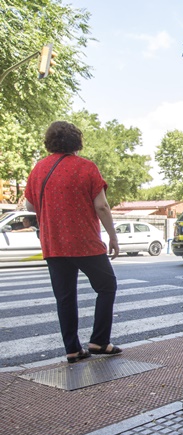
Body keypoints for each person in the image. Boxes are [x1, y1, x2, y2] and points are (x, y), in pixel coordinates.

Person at [24, 121, 121, 364]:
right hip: (85, 242)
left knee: (65, 297)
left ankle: (73, 349)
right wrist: (112, 236)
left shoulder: (38, 170)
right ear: (76, 141)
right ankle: (99, 340)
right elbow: (101, 206)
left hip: (54, 244)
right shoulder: (87, 168)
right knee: (106, 286)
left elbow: (29, 206)